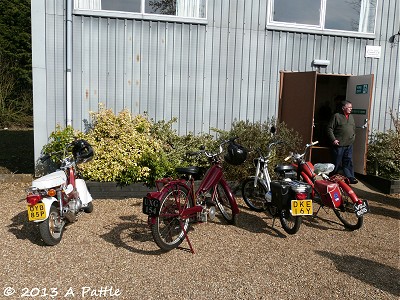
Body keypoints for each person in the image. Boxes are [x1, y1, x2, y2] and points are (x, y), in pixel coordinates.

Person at [327, 100, 358, 184]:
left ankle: (350, 177)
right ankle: (332, 177)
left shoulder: (351, 117)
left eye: (351, 107)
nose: (351, 109)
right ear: (343, 108)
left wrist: (353, 137)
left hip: (349, 144)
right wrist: (333, 139)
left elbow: (353, 128)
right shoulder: (336, 116)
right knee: (336, 162)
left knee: (348, 161)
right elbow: (329, 128)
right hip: (339, 144)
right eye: (349, 107)